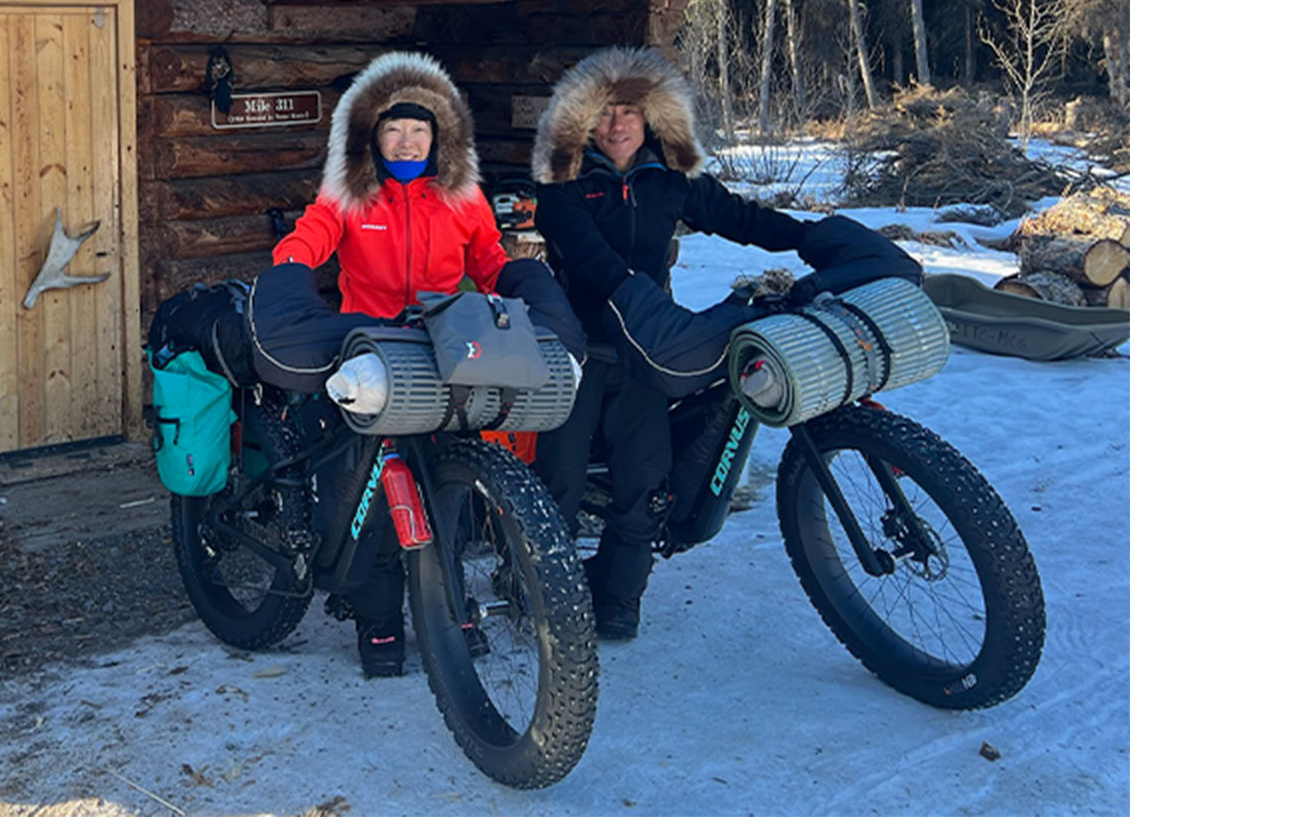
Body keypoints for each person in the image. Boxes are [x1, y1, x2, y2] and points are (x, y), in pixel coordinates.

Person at [526, 46, 913, 642]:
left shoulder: (670, 180)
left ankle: (618, 599)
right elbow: (587, 257)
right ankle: (539, 592)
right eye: (603, 113)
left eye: (628, 112)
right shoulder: (564, 185)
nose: (617, 125)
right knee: (561, 480)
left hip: (647, 352)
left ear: (649, 117)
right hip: (580, 349)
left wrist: (811, 239)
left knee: (644, 479)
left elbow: (743, 219)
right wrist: (639, 299)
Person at [254, 50, 581, 678]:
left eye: (419, 130)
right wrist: (290, 268)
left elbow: (488, 258)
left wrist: (523, 283)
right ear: (374, 137)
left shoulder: (462, 198)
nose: (406, 142)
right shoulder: (349, 194)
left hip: (445, 351)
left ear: (438, 137)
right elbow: (314, 233)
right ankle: (376, 614)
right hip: (370, 350)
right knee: (372, 485)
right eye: (394, 130)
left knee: (446, 483)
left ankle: (449, 607)